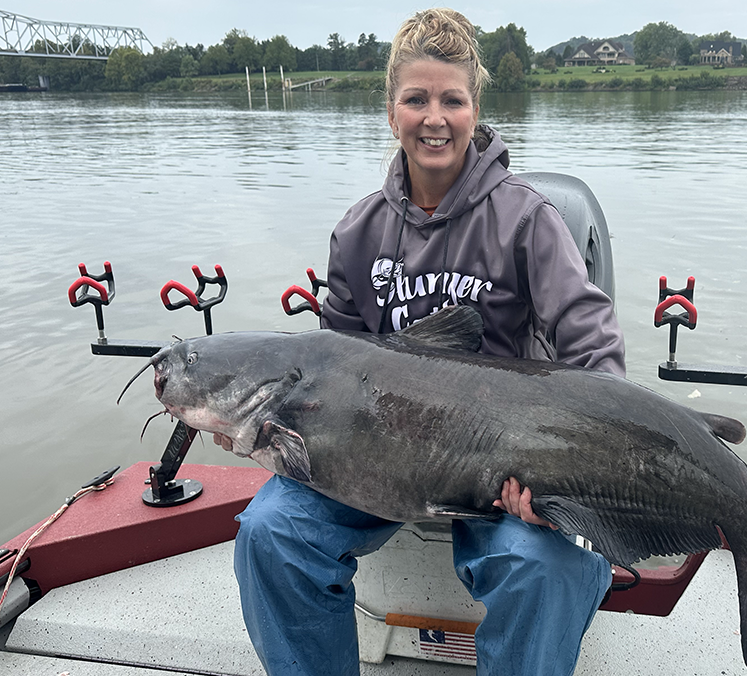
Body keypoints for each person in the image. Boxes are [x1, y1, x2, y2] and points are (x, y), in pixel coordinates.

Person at [230, 8, 626, 675]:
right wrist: (261, 427)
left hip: (504, 463)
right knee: (270, 532)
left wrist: (582, 467)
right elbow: (328, 372)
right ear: (391, 113)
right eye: (416, 99)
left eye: (451, 99)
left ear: (475, 110)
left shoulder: (529, 219)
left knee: (548, 565)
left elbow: (591, 346)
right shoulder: (357, 231)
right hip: (377, 458)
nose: (434, 117)